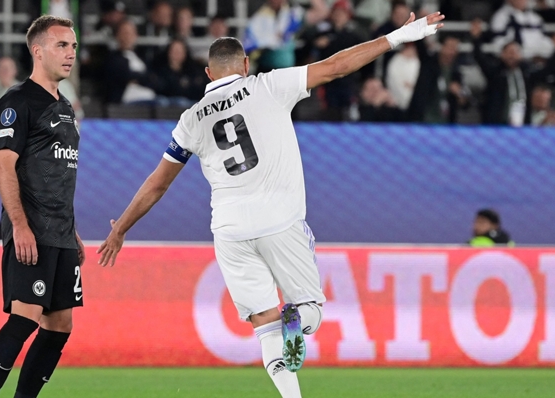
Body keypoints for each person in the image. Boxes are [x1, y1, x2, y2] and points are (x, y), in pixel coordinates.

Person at [97, 11, 444, 398]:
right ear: (245, 65)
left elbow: (157, 184)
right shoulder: (268, 85)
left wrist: (120, 228)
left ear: (209, 75)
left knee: (265, 326)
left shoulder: (190, 119)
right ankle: (297, 318)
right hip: (279, 220)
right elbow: (335, 66)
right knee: (308, 310)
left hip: (228, 230)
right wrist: (397, 36)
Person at [0, 15, 84, 398]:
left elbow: (55, 173)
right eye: (62, 45)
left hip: (60, 234)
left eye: (73, 45)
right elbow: (5, 167)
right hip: (31, 233)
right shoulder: (17, 101)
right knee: (24, 319)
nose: (71, 53)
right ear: (38, 51)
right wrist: (20, 226)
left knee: (60, 326)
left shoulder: (68, 107)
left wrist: (70, 232)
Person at [471, 19, 532, 126]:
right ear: (502, 55)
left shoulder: (527, 73)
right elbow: (480, 58)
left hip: (523, 125)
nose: (512, 56)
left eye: (515, 52)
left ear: (520, 55)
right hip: (498, 125)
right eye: (509, 52)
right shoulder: (495, 73)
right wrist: (476, 39)